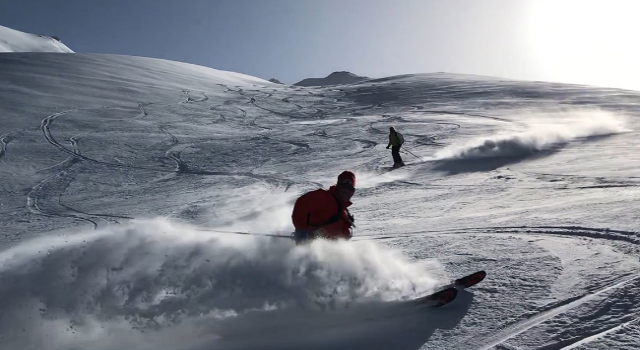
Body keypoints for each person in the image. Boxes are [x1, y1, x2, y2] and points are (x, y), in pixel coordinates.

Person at [291, 171, 356, 244]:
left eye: (350, 189)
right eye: (343, 187)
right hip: (313, 248)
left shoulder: (343, 209)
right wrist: (301, 230)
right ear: (337, 186)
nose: (346, 191)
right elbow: (302, 203)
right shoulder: (325, 197)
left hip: (333, 250)